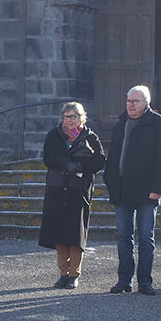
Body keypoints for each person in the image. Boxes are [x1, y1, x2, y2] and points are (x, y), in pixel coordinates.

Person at [103, 85, 161, 295]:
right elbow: (113, 155)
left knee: (145, 237)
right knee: (124, 237)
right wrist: (111, 181)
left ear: (146, 103)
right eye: (128, 101)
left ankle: (145, 281)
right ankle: (124, 280)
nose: (130, 105)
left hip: (147, 191)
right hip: (122, 190)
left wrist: (158, 189)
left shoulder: (159, 124)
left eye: (135, 101)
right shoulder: (120, 124)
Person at [39, 102, 106, 289]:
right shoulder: (54, 135)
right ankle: (63, 273)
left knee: (76, 234)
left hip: (79, 190)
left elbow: (99, 160)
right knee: (59, 233)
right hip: (57, 189)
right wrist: (66, 165)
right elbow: (48, 158)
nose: (69, 120)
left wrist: (81, 168)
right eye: (66, 117)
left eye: (73, 117)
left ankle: (74, 274)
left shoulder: (90, 137)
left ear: (81, 118)